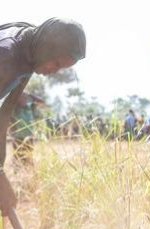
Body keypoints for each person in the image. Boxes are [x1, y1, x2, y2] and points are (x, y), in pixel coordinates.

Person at [0, 17, 86, 217]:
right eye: (55, 63)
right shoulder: (6, 56)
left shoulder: (31, 51)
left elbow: (3, 116)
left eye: (61, 68)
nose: (54, 71)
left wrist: (0, 170)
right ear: (47, 44)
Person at [10, 92, 44, 168]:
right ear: (17, 99)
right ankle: (16, 175)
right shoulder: (15, 109)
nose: (24, 100)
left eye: (25, 98)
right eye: (21, 98)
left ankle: (28, 174)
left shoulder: (31, 108)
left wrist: (30, 95)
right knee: (18, 158)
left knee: (29, 158)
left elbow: (41, 102)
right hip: (18, 138)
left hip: (29, 138)